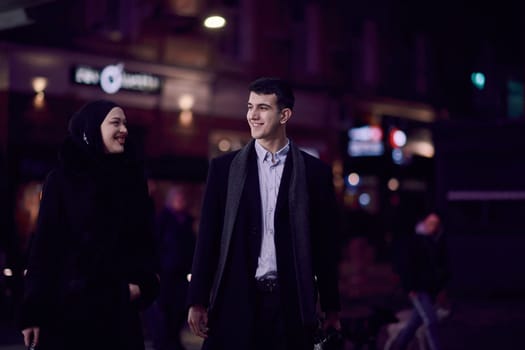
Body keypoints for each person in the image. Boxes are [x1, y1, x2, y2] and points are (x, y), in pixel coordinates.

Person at [187, 77, 341, 350]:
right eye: (249, 106)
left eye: (262, 108)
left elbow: (325, 246)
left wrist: (332, 307)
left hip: (290, 303)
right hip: (236, 299)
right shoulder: (223, 169)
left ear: (284, 115)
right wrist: (197, 299)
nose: (252, 116)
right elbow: (207, 238)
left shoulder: (315, 173)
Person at [18, 100, 160, 350]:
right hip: (67, 313)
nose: (124, 130)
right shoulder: (62, 179)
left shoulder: (132, 181)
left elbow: (145, 241)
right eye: (115, 122)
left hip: (118, 315)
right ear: (92, 129)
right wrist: (33, 313)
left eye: (125, 123)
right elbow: (44, 248)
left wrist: (143, 286)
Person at [389, 211, 449, 350]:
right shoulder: (414, 241)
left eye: (436, 224)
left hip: (429, 289)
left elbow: (439, 266)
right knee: (431, 321)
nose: (433, 226)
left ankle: (399, 346)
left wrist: (440, 286)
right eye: (430, 223)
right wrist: (410, 287)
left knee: (415, 323)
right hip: (419, 289)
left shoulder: (435, 241)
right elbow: (407, 265)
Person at [155, 187, 196, 350]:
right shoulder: (163, 220)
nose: (181, 202)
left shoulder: (186, 221)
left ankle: (173, 339)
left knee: (179, 308)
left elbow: (192, 246)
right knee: (165, 309)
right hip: (166, 273)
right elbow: (157, 245)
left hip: (181, 273)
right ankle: (166, 341)